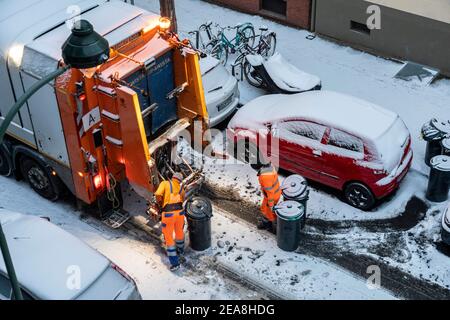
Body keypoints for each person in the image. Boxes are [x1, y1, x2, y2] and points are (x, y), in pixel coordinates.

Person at [154, 172, 186, 271]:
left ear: (173, 178)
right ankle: (180, 251)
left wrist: (160, 203)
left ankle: (175, 263)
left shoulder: (165, 183)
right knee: (179, 233)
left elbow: (158, 194)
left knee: (169, 238)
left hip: (168, 214)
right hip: (180, 213)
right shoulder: (181, 188)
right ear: (179, 180)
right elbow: (182, 199)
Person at [253, 161, 281, 233]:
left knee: (269, 213)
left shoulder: (265, 177)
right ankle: (268, 222)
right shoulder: (268, 167)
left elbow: (270, 192)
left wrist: (271, 205)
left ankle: (274, 227)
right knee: (264, 208)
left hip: (271, 197)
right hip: (274, 193)